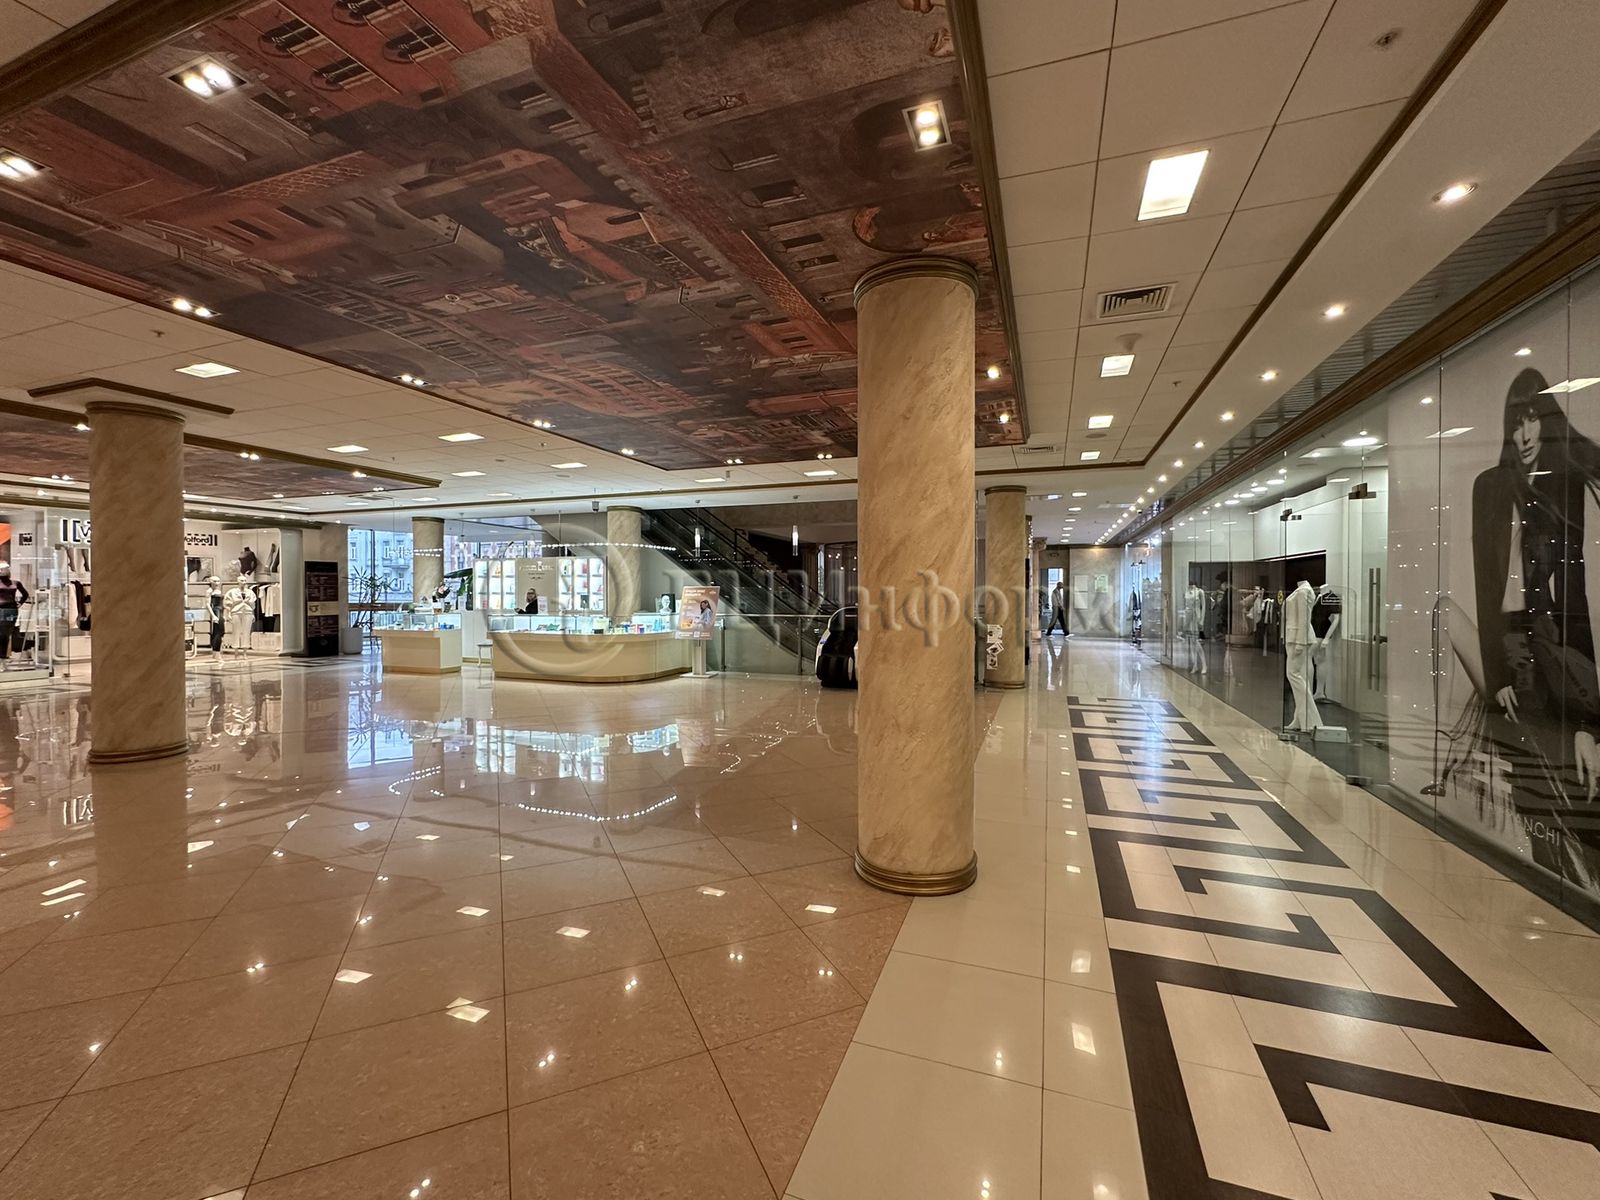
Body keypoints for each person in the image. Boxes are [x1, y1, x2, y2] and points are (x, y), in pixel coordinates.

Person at [1442, 367, 1600, 892]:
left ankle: (1571, 879)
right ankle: (1552, 870)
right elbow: (1488, 589)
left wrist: (1587, 719)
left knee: (1564, 774)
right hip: (1510, 645)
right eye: (1516, 422)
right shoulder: (1489, 487)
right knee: (1529, 771)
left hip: (1550, 643)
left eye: (1533, 420)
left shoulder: (1564, 485)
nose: (1525, 434)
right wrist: (1499, 671)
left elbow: (1573, 596)